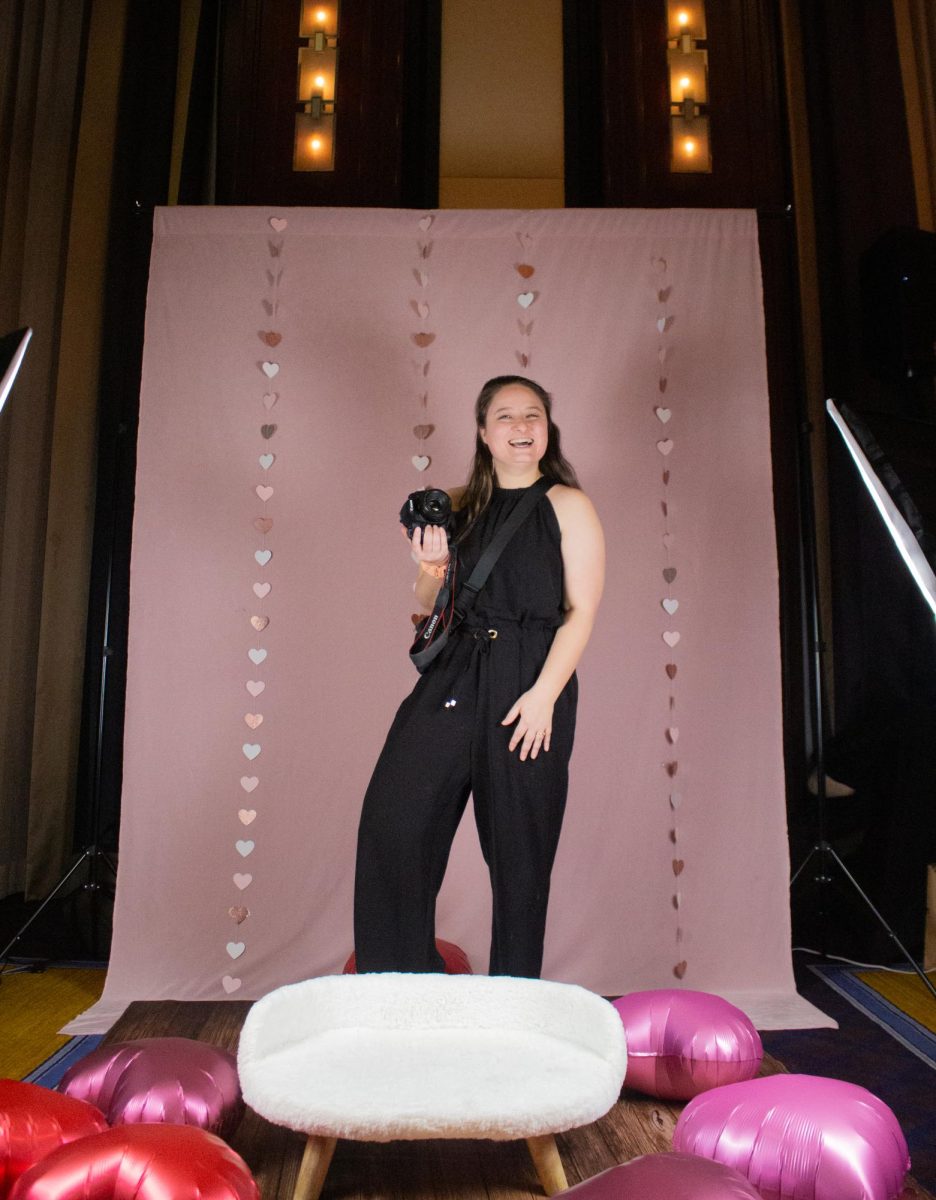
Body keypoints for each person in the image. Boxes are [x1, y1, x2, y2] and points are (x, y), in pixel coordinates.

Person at [353, 375, 604, 977]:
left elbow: (582, 612)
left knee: (521, 854)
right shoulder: (458, 503)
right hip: (456, 671)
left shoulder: (569, 505)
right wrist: (432, 564)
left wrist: (544, 696)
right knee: (396, 820)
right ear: (484, 433)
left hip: (530, 678)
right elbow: (428, 598)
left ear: (547, 429)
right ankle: (398, 987)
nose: (522, 427)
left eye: (533, 416)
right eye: (507, 417)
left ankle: (514, 1003)